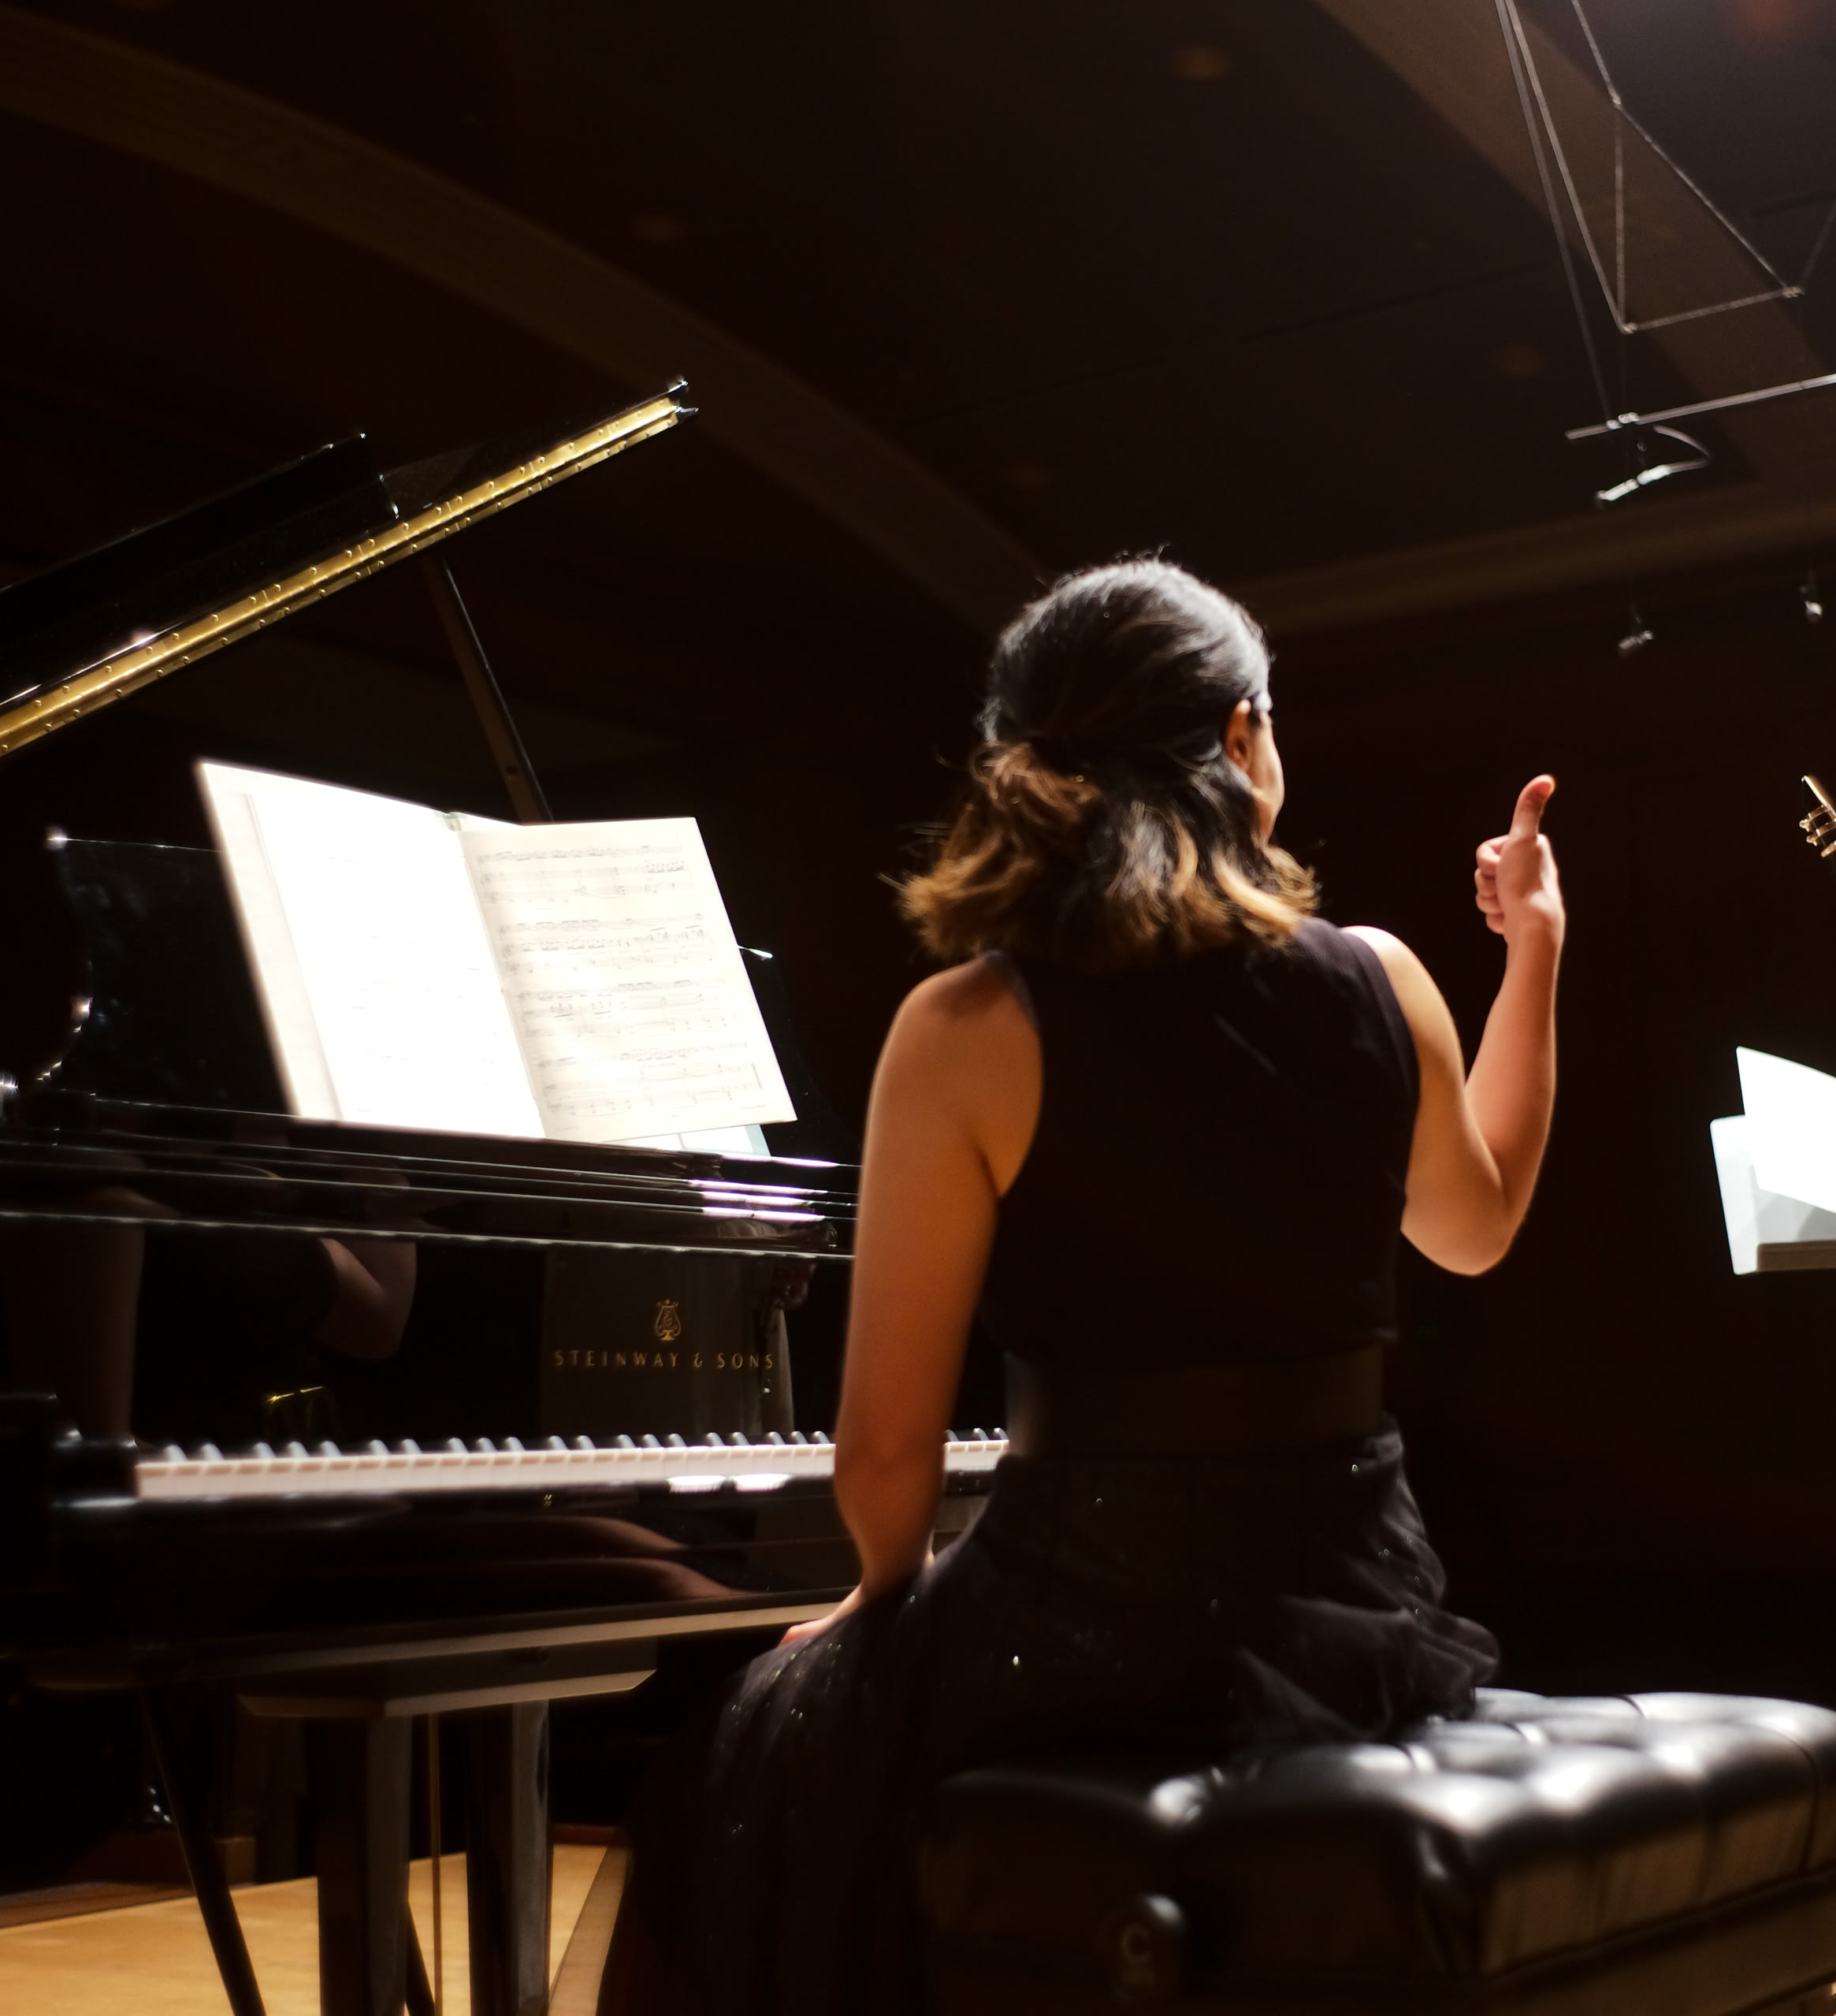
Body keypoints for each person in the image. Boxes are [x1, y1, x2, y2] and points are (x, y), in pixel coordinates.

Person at [600, 557, 1563, 2014]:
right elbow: (1477, 1228)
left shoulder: (967, 1023)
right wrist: (1536, 953)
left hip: (1073, 1627)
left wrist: (877, 1619)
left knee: (745, 1755)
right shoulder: (1384, 977)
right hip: (1356, 1614)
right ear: (1242, 737)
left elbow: (883, 1460)